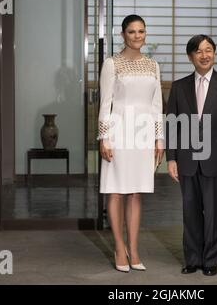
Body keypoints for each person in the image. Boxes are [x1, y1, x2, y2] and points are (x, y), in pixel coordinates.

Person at [165, 35, 217, 276]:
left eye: (209, 50)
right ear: (190, 57)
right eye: (198, 51)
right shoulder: (179, 87)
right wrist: (171, 158)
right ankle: (192, 259)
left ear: (215, 54)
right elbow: (172, 125)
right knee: (190, 212)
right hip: (187, 159)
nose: (204, 55)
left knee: (213, 212)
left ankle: (210, 261)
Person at [98, 15, 164, 273]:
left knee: (136, 193)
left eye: (141, 31)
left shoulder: (153, 65)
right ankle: (118, 246)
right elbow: (105, 104)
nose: (137, 36)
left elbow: (157, 105)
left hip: (144, 135)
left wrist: (160, 139)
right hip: (119, 130)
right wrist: (104, 137)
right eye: (132, 31)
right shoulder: (111, 64)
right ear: (123, 34)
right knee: (115, 191)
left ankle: (134, 249)